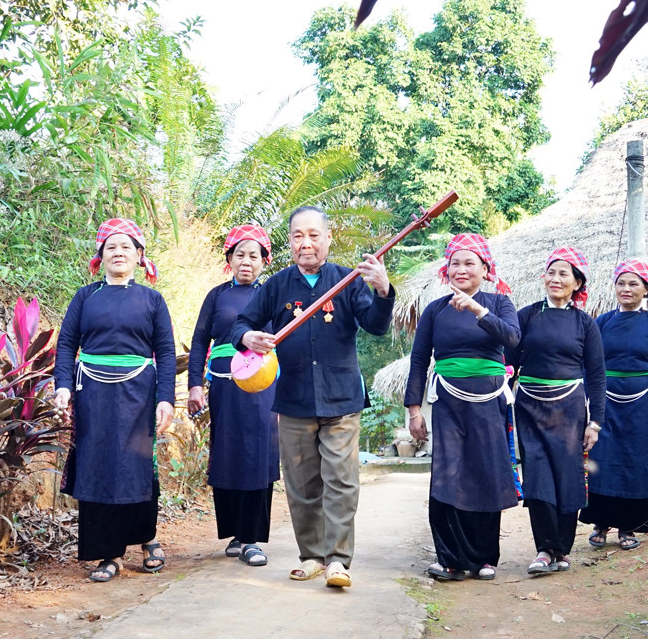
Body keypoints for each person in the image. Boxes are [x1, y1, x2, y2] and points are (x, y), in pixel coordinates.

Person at [231, 206, 395, 589]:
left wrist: (383, 290)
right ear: (289, 241)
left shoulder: (348, 280)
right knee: (302, 484)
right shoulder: (276, 285)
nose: (306, 243)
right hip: (293, 399)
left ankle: (338, 560)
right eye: (297, 236)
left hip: (341, 399)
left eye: (313, 235)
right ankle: (312, 557)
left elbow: (375, 325)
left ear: (327, 238)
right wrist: (247, 338)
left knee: (341, 480)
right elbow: (241, 324)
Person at [53, 219, 176, 583]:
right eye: (111, 247)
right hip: (92, 394)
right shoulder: (85, 297)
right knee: (98, 466)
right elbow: (66, 344)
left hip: (139, 395)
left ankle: (145, 536)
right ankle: (107, 554)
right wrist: (63, 386)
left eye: (126, 247)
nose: (118, 252)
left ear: (140, 256)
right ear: (100, 257)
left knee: (135, 466)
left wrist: (165, 398)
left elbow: (166, 352)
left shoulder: (152, 300)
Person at [404, 234, 521, 582]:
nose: (461, 269)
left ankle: (485, 558)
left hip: (489, 402)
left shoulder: (499, 303)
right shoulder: (435, 311)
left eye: (470, 263)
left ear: (485, 269)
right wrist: (413, 409)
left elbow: (513, 340)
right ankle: (451, 559)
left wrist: (477, 310)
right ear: (447, 270)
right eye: (455, 263)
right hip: (449, 403)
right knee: (448, 475)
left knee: (485, 473)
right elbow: (419, 359)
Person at [506, 247, 606, 576]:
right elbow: (509, 361)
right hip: (530, 407)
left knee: (568, 477)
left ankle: (562, 549)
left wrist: (595, 422)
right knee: (537, 476)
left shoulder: (585, 324)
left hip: (570, 410)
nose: (556, 279)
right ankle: (544, 549)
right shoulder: (526, 316)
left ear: (577, 283)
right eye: (552, 272)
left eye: (564, 274)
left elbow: (596, 376)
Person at [187, 225, 280, 567]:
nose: (246, 261)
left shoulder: (272, 295)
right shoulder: (216, 296)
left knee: (258, 455)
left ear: (264, 262)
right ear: (229, 259)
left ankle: (252, 539)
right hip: (224, 386)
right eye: (239, 254)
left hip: (263, 387)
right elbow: (199, 342)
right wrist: (195, 385)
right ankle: (235, 533)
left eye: (253, 255)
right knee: (228, 454)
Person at [579, 260, 648, 551]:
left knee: (637, 462)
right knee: (602, 459)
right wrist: (586, 401)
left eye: (634, 283)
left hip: (644, 404)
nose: (626, 288)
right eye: (621, 283)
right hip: (605, 402)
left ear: (647, 289)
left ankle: (629, 526)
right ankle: (600, 523)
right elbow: (588, 365)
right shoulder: (602, 323)